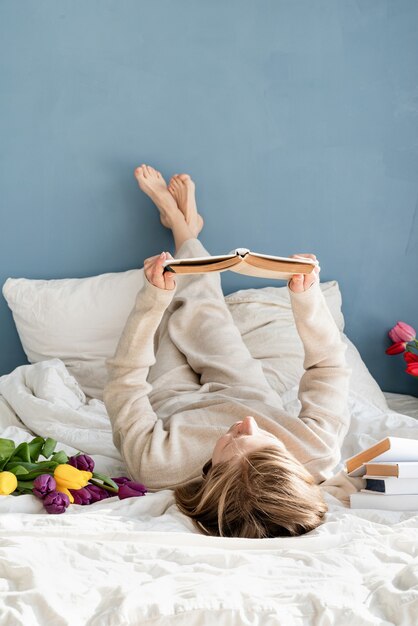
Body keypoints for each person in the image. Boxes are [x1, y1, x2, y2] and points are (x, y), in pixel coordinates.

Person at [103, 164, 352, 538]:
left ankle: (186, 229)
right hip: (242, 386)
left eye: (232, 440)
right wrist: (306, 297)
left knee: (172, 314)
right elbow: (328, 367)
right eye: (263, 438)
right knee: (205, 315)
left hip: (174, 402)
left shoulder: (156, 466)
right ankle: (182, 227)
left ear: (209, 472)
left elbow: (124, 381)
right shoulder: (315, 452)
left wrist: (151, 300)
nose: (246, 424)